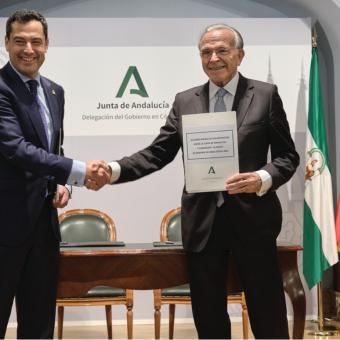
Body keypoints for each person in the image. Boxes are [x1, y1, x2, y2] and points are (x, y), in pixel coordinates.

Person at [89, 23, 299, 338]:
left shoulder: (265, 95)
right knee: (209, 318)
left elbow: (287, 157)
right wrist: (113, 170)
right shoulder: (185, 100)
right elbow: (156, 154)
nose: (213, 58)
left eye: (222, 50)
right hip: (204, 225)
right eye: (206, 52)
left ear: (240, 55)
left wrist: (261, 177)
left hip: (254, 223)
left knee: (267, 314)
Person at [0, 9, 110, 339]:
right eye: (19, 41)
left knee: (39, 322)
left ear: (47, 44)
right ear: (6, 43)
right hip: (4, 227)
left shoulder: (54, 92)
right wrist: (79, 171)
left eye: (36, 41)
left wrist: (62, 182)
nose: (28, 49)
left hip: (44, 227)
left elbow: (51, 148)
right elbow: (15, 148)